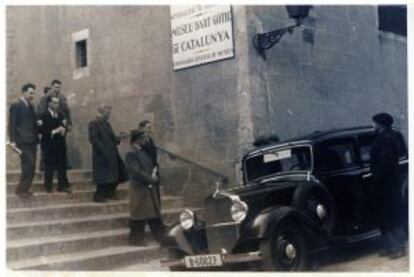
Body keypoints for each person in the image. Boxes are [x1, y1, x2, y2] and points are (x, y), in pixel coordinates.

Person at [370, 113, 406, 259]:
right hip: (385, 185)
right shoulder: (388, 137)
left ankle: (398, 247)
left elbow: (386, 164)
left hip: (387, 184)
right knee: (385, 216)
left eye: (374, 123)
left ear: (381, 124)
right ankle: (389, 247)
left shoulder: (386, 139)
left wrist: (376, 179)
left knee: (392, 216)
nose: (372, 125)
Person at [125, 129, 165, 246]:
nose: (145, 140)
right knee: (139, 215)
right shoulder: (131, 154)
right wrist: (150, 179)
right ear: (138, 139)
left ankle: (161, 238)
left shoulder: (142, 152)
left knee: (152, 214)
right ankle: (136, 241)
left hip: (148, 189)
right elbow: (136, 172)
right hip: (139, 189)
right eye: (143, 138)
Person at [88, 103, 128, 202]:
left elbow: (112, 138)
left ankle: (110, 193)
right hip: (102, 155)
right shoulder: (94, 123)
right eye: (108, 111)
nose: (109, 113)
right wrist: (103, 150)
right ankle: (99, 196)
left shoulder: (106, 123)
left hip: (112, 153)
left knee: (116, 174)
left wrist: (120, 137)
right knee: (103, 176)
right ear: (101, 111)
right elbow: (93, 138)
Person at [8, 83, 40, 197]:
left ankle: (24, 190)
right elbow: (12, 124)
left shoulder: (31, 107)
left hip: (32, 141)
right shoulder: (16, 106)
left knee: (31, 166)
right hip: (22, 142)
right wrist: (12, 140)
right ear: (24, 92)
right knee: (29, 164)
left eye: (34, 93)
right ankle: (21, 190)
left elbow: (33, 124)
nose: (33, 96)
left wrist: (38, 125)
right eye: (31, 93)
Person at [38, 96, 71, 193]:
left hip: (60, 144)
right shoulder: (43, 115)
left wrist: (64, 130)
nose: (57, 105)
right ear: (49, 103)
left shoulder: (60, 115)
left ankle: (61, 186)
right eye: (55, 102)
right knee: (49, 166)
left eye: (57, 103)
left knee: (62, 165)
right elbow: (41, 130)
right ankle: (48, 187)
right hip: (49, 144)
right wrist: (54, 131)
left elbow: (64, 126)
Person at [38, 86, 52, 171]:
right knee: (45, 145)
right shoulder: (44, 98)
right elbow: (42, 111)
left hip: (44, 124)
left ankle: (43, 165)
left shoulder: (43, 98)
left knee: (45, 146)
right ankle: (43, 165)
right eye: (50, 91)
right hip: (45, 124)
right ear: (47, 91)